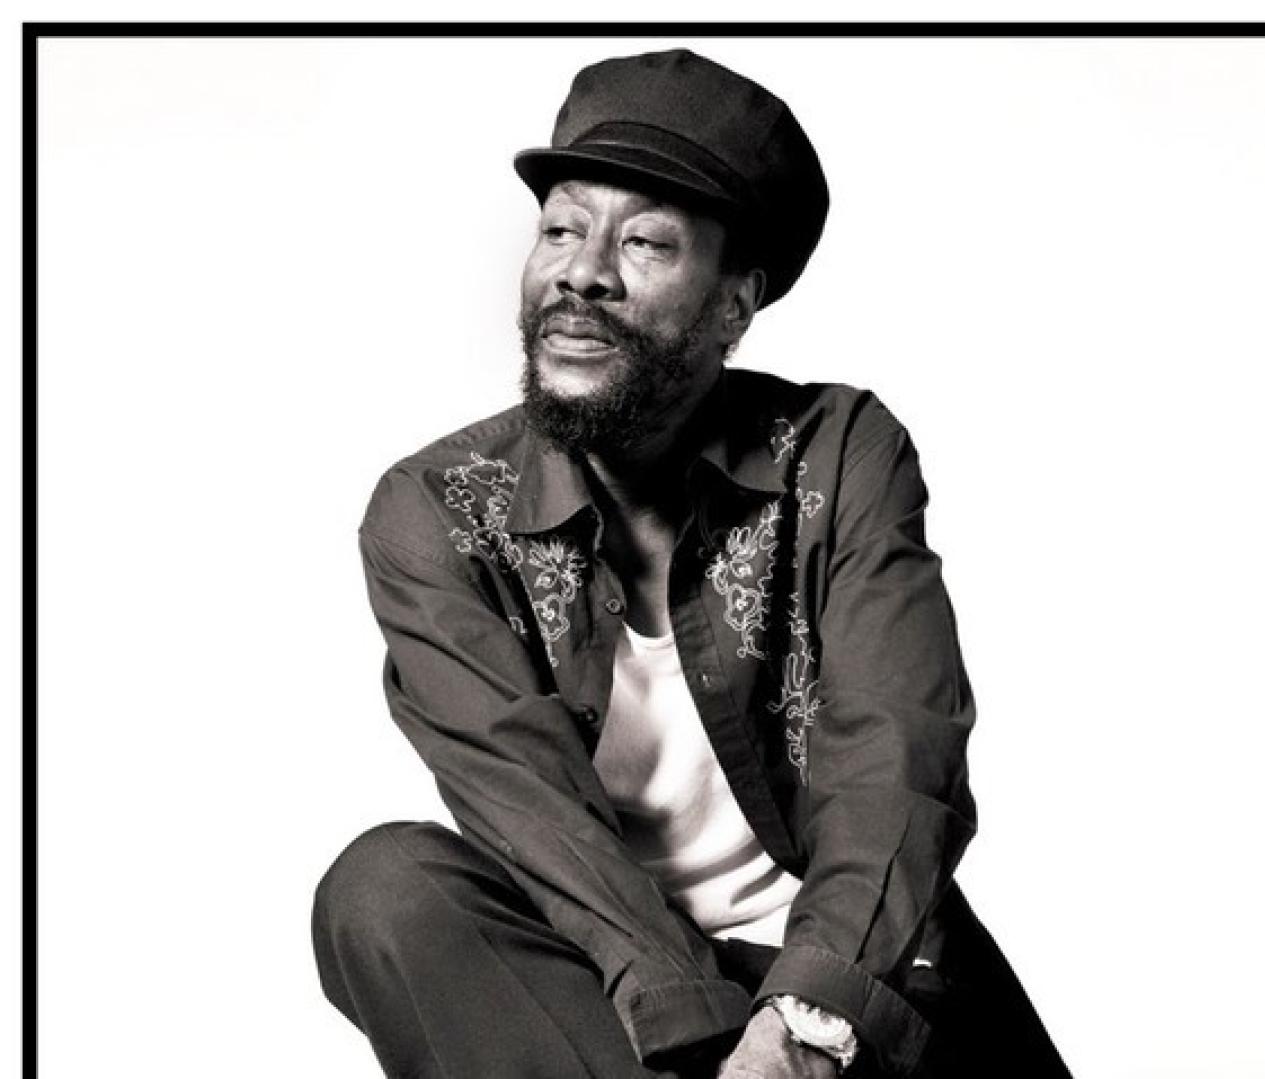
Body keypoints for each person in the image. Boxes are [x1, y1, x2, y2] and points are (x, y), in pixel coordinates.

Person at [312, 48, 1071, 1078]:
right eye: (561, 229)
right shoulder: (437, 512)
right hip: (612, 1001)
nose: (582, 272)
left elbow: (895, 754)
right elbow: (529, 806)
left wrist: (797, 1024)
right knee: (384, 886)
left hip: (850, 991)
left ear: (733, 305)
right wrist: (702, 1035)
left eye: (644, 241)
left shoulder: (838, 452)